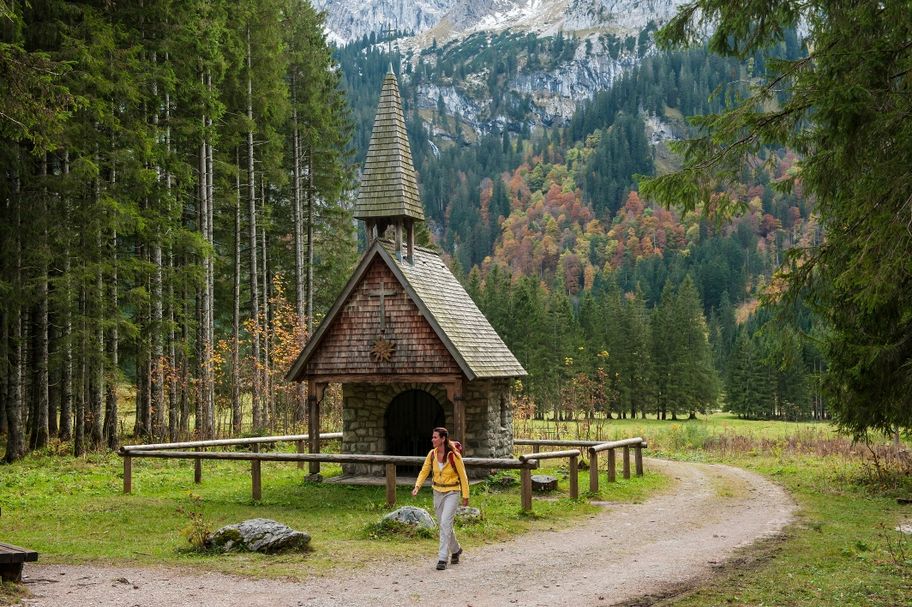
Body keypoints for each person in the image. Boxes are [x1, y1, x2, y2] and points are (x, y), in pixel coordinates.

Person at [411, 426, 469, 570]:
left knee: (445, 523)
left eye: (435, 437)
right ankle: (456, 550)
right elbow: (424, 471)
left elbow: (463, 476)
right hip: (437, 492)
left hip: (452, 492)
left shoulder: (454, 455)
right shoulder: (432, 454)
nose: (432, 439)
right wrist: (417, 486)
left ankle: (442, 558)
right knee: (444, 524)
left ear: (443, 439)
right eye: (433, 437)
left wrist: (465, 496)